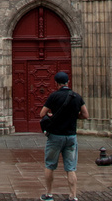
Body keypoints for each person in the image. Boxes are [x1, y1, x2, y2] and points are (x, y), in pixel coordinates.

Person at [39, 70, 89, 201]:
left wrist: (51, 115)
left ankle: (49, 194)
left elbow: (41, 114)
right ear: (68, 82)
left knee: (50, 164)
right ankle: (73, 196)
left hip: (55, 136)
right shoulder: (77, 96)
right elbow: (85, 115)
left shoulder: (54, 96)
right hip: (71, 136)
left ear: (56, 83)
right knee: (71, 168)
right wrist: (74, 116)